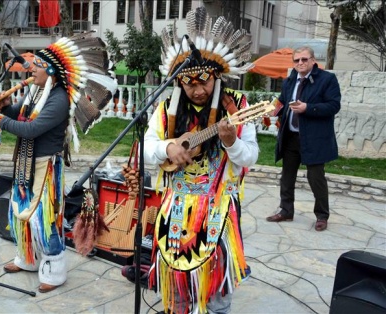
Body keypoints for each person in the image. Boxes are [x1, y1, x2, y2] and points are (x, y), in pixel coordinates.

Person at [143, 6, 258, 314]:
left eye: (204, 81)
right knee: (176, 273)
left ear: (216, 76)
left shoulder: (239, 107)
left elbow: (252, 155)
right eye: (189, 82)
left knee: (218, 279)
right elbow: (147, 145)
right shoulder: (165, 107)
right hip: (176, 206)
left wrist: (231, 141)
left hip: (218, 205)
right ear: (179, 81)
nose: (198, 89)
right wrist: (167, 149)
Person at [0, 33, 115, 293]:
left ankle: (54, 272)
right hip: (25, 161)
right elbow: (20, 115)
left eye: (38, 65)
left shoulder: (59, 99)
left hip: (45, 166)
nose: (31, 68)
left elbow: (31, 129)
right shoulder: (36, 91)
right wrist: (7, 107)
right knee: (20, 210)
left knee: (44, 218)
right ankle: (27, 259)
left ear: (51, 70)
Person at [266, 46, 341, 232]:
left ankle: (322, 216)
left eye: (304, 59)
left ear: (313, 60)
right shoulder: (289, 80)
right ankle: (286, 210)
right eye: (297, 60)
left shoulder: (327, 79)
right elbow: (282, 101)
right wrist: (270, 110)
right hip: (291, 136)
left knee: (316, 178)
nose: (300, 63)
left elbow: (333, 105)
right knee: (287, 176)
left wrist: (308, 108)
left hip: (314, 139)